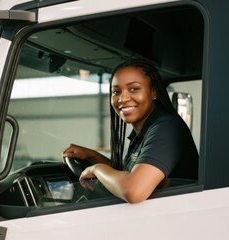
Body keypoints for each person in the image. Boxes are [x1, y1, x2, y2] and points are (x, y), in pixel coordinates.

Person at [62, 58, 198, 203]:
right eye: (116, 91)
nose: (123, 98)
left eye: (134, 89)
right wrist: (92, 156)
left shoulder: (166, 128)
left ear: (153, 92)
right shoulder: (143, 131)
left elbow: (133, 191)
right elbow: (125, 175)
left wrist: (96, 169)